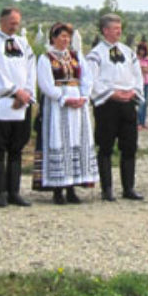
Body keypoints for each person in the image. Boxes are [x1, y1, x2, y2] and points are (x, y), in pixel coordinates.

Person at [35, 22, 98, 204]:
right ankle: (57, 189)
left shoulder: (76, 56)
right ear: (53, 38)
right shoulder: (46, 58)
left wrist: (84, 96)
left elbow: (86, 77)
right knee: (59, 140)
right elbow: (45, 84)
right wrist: (63, 98)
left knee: (76, 141)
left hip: (78, 106)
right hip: (57, 106)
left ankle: (72, 187)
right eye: (62, 36)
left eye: (67, 37)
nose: (65, 40)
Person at [0, 7, 36, 207]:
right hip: (1, 100)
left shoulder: (24, 44)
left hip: (22, 102)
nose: (15, 26)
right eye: (12, 23)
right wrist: (13, 91)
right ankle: (0, 192)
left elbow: (31, 69)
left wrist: (26, 93)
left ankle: (14, 191)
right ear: (2, 21)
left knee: (17, 146)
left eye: (17, 23)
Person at [87, 13, 144, 201]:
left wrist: (133, 92)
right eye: (115, 28)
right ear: (105, 30)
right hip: (107, 105)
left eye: (120, 28)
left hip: (127, 103)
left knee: (129, 147)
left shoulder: (128, 52)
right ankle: (107, 189)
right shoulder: (96, 55)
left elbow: (137, 75)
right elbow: (92, 80)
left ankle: (128, 187)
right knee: (105, 147)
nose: (119, 31)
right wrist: (110, 93)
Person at [136, 42, 148, 129]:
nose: (142, 51)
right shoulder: (136, 59)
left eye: (143, 50)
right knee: (140, 103)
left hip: (147, 82)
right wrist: (143, 69)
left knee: (145, 103)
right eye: (140, 50)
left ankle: (143, 122)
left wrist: (143, 69)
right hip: (138, 83)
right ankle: (138, 122)